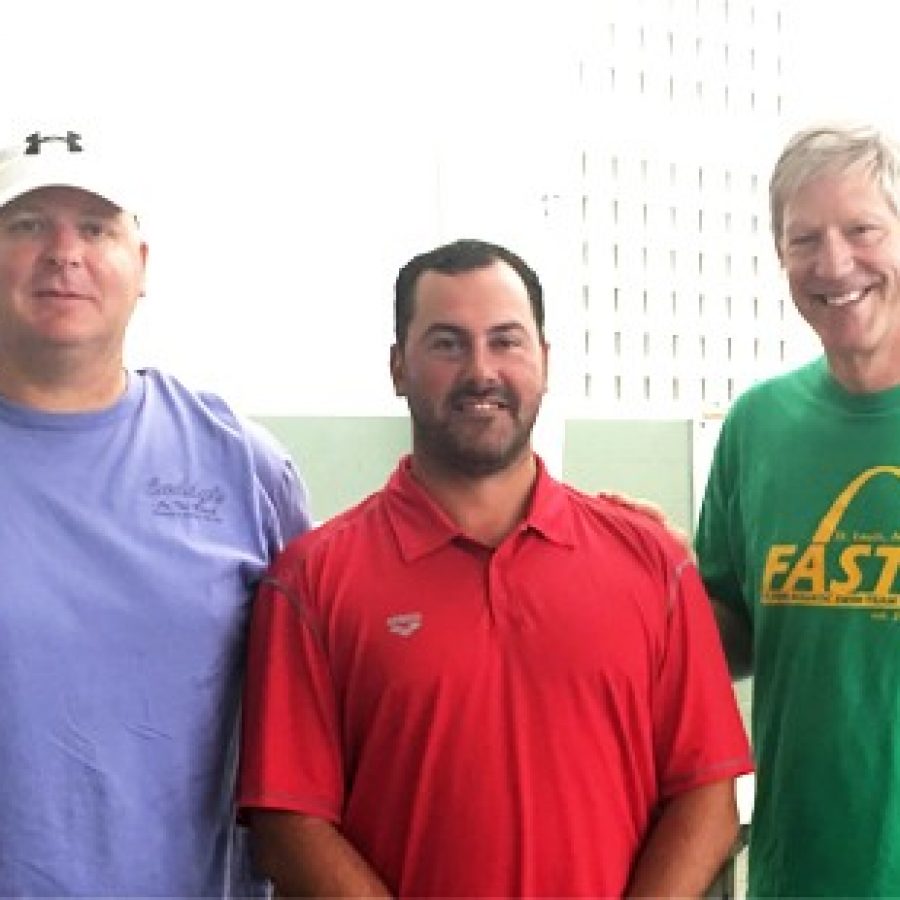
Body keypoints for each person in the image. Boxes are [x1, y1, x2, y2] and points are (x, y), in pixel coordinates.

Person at [237, 238, 753, 897]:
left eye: (506, 341)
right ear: (399, 367)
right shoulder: (311, 582)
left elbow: (706, 797)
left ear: (545, 360)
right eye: (447, 343)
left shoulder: (652, 564)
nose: (481, 370)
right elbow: (289, 823)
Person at [0, 130, 311, 895]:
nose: (63, 252)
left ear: (142, 266)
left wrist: (610, 535)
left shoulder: (239, 462)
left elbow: (359, 647)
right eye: (26, 225)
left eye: (96, 228)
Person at [695, 123, 900, 896]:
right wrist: (653, 573)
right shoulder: (759, 425)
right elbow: (736, 634)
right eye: (804, 238)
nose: (835, 263)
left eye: (862, 230)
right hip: (797, 873)